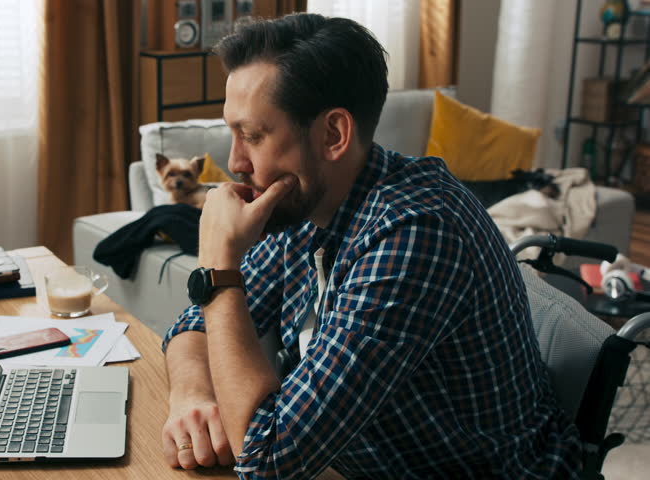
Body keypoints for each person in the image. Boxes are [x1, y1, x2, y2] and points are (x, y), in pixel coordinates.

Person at [160, 13, 582, 479]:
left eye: (253, 136)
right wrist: (192, 396)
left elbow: (266, 459)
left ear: (333, 135)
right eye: (233, 134)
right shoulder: (306, 203)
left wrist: (220, 266)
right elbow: (192, 325)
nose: (235, 161)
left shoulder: (416, 232)